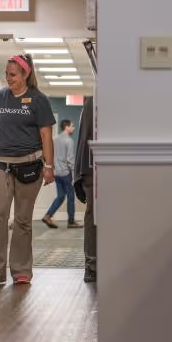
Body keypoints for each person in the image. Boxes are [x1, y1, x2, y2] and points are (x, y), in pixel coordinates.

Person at [0, 54, 56, 285]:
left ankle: (21, 270)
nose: (9, 78)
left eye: (13, 75)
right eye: (7, 74)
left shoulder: (38, 100)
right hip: (0, 164)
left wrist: (49, 165)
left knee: (23, 219)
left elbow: (46, 135)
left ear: (26, 74)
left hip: (30, 165)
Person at [41, 120, 82, 229]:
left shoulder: (54, 139)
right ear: (66, 127)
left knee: (60, 196)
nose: (73, 128)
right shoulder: (69, 141)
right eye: (72, 126)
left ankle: (47, 216)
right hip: (66, 173)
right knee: (71, 197)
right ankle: (71, 221)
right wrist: (74, 174)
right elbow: (70, 159)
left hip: (56, 173)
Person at [73, 96, 95, 283]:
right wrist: (78, 176)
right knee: (93, 215)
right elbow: (84, 138)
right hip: (92, 169)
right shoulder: (91, 102)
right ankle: (92, 265)